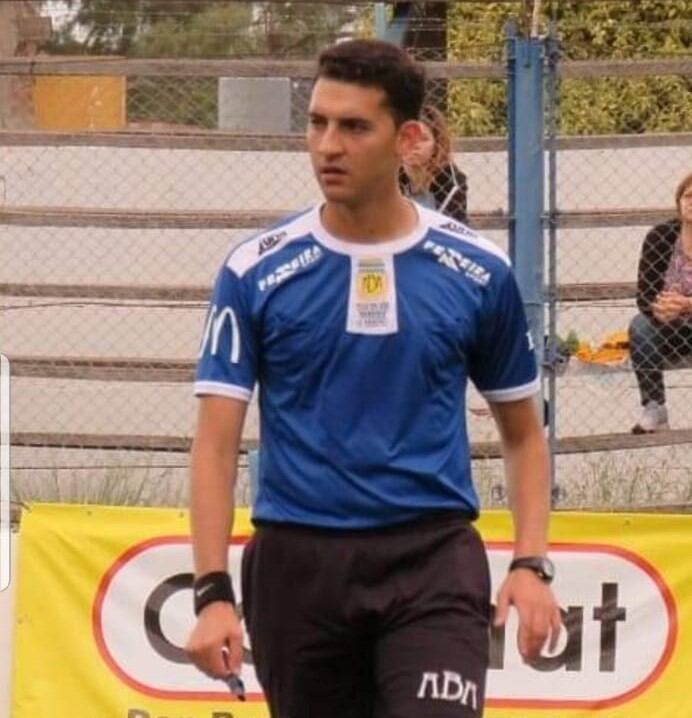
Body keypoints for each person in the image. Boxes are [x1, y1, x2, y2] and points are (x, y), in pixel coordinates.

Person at [185, 39, 560, 718]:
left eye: (355, 127)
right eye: (318, 123)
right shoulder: (253, 271)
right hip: (298, 568)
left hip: (432, 563)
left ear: (407, 139)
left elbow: (524, 434)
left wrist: (531, 564)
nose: (329, 146)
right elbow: (214, 443)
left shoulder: (478, 271)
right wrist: (211, 591)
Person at [629, 171, 692, 434]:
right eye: (688, 196)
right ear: (679, 202)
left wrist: (687, 304)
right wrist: (659, 310)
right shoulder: (660, 236)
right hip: (669, 326)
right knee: (640, 326)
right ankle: (655, 406)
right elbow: (644, 293)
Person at [399, 104, 469, 223]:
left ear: (437, 144)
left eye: (423, 139)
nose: (414, 145)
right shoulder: (386, 177)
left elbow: (455, 227)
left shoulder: (451, 182)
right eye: (407, 137)